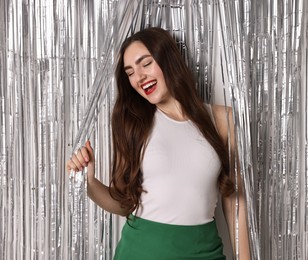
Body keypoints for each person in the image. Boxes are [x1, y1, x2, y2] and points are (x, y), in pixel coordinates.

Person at [66, 27, 250, 259]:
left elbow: (235, 201)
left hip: (204, 252)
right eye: (130, 72)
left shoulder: (223, 120)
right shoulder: (133, 124)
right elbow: (124, 204)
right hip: (141, 251)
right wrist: (90, 183)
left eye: (145, 63)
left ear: (168, 59)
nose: (138, 77)